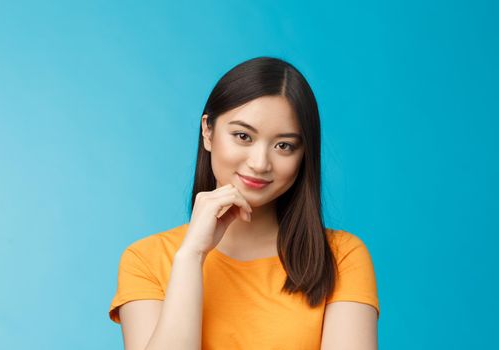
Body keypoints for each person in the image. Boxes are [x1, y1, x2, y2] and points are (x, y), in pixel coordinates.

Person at [108, 57, 379, 350]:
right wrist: (191, 257)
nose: (260, 163)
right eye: (243, 136)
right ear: (207, 132)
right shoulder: (146, 260)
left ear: (304, 155)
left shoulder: (340, 258)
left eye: (284, 145)